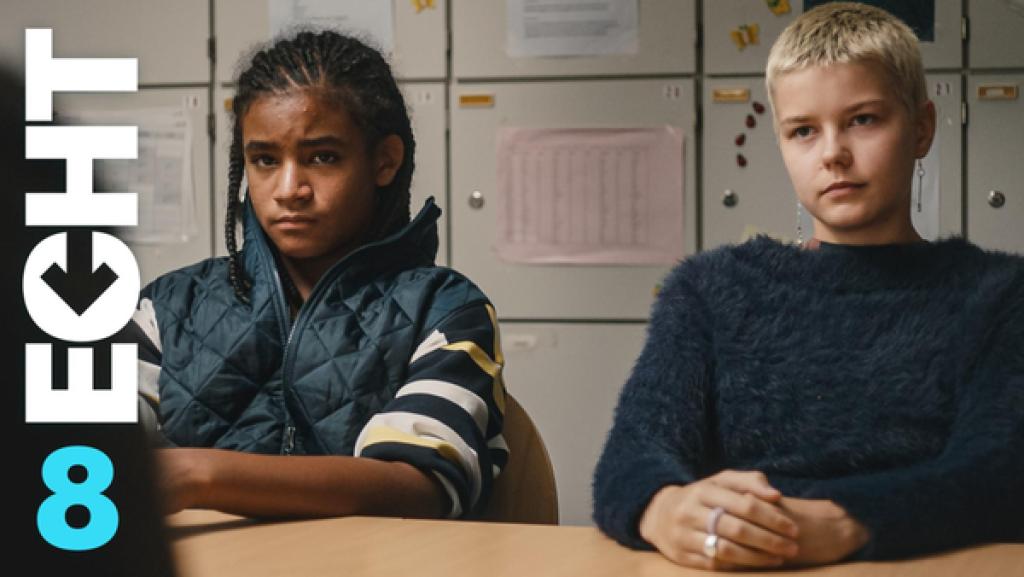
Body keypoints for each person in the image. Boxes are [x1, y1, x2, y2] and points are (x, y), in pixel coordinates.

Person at [593, 3, 1024, 570]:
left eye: (863, 120)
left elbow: (999, 470)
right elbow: (632, 455)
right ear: (781, 143)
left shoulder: (999, 295)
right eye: (803, 131)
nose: (832, 154)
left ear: (921, 128)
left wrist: (849, 519)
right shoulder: (708, 289)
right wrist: (666, 508)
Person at [128, 30, 507, 521]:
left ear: (384, 162)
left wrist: (197, 474)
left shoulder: (446, 312)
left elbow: (417, 487)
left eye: (322, 157)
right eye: (265, 160)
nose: (289, 189)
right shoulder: (167, 307)